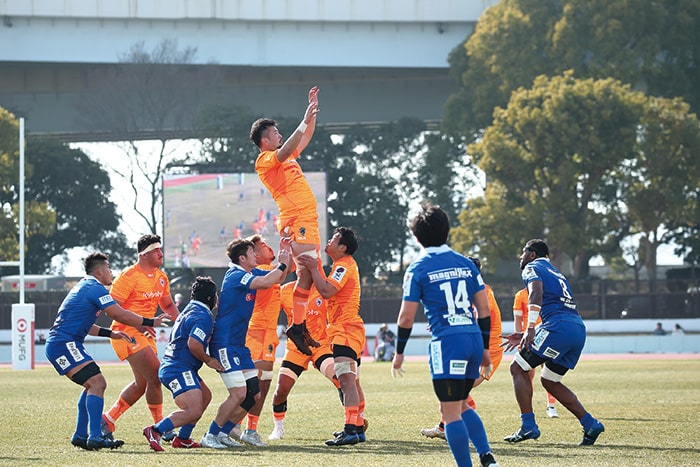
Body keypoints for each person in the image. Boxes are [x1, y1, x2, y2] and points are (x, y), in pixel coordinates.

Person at [391, 204, 498, 467]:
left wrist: (399, 352)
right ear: (447, 231)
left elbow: (406, 317)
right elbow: (483, 310)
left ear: (416, 238)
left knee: (449, 413)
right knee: (461, 405)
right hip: (473, 337)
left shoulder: (418, 268)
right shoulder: (466, 263)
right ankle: (488, 458)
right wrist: (484, 348)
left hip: (449, 343)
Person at [45, 252, 167, 451]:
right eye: (109, 269)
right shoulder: (94, 288)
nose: (112, 273)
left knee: (91, 384)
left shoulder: (83, 287)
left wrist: (112, 334)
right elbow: (118, 313)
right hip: (65, 344)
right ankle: (95, 436)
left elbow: (87, 325)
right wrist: (150, 321)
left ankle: (81, 434)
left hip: (60, 344)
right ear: (100, 271)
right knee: (97, 383)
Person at [502, 239, 605, 446]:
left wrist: (530, 328)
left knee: (517, 368)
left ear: (532, 254)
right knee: (549, 379)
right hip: (576, 328)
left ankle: (528, 426)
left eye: (523, 252)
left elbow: (536, 293)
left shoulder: (532, 266)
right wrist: (525, 332)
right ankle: (590, 423)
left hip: (557, 327)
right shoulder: (556, 272)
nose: (520, 257)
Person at [200, 237, 291, 449]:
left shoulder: (249, 272)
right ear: (242, 258)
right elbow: (267, 282)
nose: (256, 256)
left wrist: (285, 255)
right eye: (252, 253)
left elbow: (276, 278)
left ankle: (224, 432)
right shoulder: (235, 275)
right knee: (239, 393)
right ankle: (210, 435)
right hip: (225, 343)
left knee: (254, 394)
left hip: (238, 345)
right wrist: (284, 262)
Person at [251, 85, 322, 356]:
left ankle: (297, 325)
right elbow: (286, 149)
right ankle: (297, 324)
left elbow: (303, 140)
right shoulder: (265, 160)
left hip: (307, 219)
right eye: (276, 133)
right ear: (265, 140)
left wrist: (312, 114)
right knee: (311, 272)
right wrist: (303, 121)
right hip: (297, 219)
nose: (280, 135)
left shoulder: (287, 155)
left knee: (307, 276)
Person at [102, 234, 180, 441]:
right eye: (157, 251)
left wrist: (181, 323)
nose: (161, 254)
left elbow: (168, 306)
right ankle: (161, 427)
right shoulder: (128, 277)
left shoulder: (161, 277)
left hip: (145, 333)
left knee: (142, 384)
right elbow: (112, 310)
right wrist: (141, 323)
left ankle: (108, 418)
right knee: (155, 375)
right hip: (125, 332)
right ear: (144, 254)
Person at [420, 256, 504, 444]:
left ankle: (466, 430)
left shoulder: (483, 292)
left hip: (487, 349)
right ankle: (445, 427)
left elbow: (477, 318)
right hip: (473, 346)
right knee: (450, 384)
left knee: (455, 387)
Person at [297, 226, 367, 446]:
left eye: (334, 239)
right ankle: (356, 427)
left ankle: (350, 429)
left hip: (345, 329)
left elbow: (327, 291)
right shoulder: (341, 265)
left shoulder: (344, 265)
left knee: (346, 380)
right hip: (344, 329)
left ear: (343, 247)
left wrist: (314, 268)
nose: (329, 241)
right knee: (351, 381)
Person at [142, 277, 225, 452]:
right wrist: (208, 359)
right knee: (193, 410)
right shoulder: (203, 316)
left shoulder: (190, 309)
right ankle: (156, 430)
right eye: (216, 295)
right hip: (178, 368)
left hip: (178, 365)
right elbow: (194, 344)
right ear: (210, 298)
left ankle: (183, 438)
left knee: (205, 396)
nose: (217, 298)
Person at [267, 281, 344, 441]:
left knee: (340, 379)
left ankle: (352, 422)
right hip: (296, 348)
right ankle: (278, 428)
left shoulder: (324, 290)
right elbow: (269, 311)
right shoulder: (285, 290)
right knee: (282, 389)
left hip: (321, 346)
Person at [239, 235, 285, 446]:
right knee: (254, 385)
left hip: (267, 334)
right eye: (264, 246)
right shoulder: (262, 271)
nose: (270, 247)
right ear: (255, 254)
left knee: (264, 383)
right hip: (257, 333)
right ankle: (231, 425)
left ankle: (250, 429)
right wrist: (288, 251)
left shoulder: (269, 271)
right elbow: (283, 272)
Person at [512, 287, 559, 418]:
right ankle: (529, 408)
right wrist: (520, 339)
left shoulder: (546, 292)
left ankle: (551, 406)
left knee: (548, 372)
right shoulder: (520, 295)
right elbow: (518, 319)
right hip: (528, 337)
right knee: (527, 375)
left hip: (545, 336)